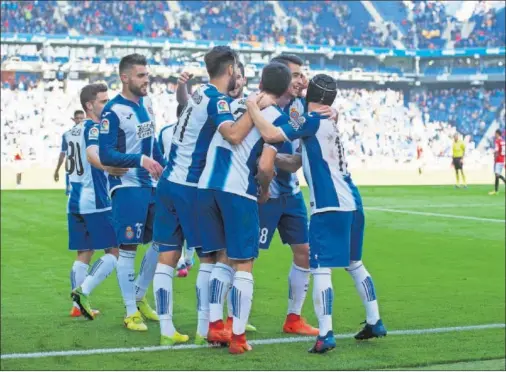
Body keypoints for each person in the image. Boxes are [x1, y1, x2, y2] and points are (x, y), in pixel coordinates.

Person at [249, 73, 387, 354]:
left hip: (328, 204)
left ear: (310, 95)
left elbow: (271, 134)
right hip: (352, 201)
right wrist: (271, 161)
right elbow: (299, 161)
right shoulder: (327, 122)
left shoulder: (310, 121)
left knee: (320, 267)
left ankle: (326, 334)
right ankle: (375, 320)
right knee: (354, 262)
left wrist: (253, 106)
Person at [151, 46, 265, 346]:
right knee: (210, 258)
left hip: (167, 183)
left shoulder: (200, 93)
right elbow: (234, 135)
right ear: (230, 70)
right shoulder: (216, 100)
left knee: (166, 259)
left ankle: (166, 330)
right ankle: (206, 328)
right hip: (190, 186)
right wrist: (256, 107)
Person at [199, 62, 291, 354]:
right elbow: (265, 166)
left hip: (207, 186)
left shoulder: (238, 104)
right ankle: (238, 338)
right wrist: (263, 189)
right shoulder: (275, 116)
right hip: (237, 191)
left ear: (261, 81)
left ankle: (216, 326)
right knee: (244, 265)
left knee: (221, 258)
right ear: (287, 88)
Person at [99, 54, 165, 331]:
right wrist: (139, 161)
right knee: (127, 249)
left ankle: (138, 296)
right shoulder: (112, 111)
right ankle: (130, 312)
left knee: (162, 241)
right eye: (140, 75)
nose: (146, 79)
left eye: (147, 74)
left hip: (150, 185)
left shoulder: (146, 105)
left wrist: (165, 167)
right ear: (125, 77)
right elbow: (106, 153)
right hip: (126, 186)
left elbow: (151, 146)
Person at [66, 83, 127, 320]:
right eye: (103, 101)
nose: (108, 105)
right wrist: (109, 167)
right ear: (89, 105)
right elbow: (92, 155)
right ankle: (83, 291)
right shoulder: (94, 128)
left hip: (74, 200)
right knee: (115, 251)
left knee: (84, 252)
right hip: (95, 200)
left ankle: (76, 306)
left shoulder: (70, 131)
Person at [54, 110, 85, 195]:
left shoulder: (88, 133)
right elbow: (63, 153)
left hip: (84, 171)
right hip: (71, 172)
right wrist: (57, 170)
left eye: (81, 119)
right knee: (72, 197)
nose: (79, 120)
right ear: (73, 119)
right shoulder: (66, 135)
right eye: (77, 118)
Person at [489, 129, 505, 195]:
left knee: (497, 174)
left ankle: (496, 191)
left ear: (498, 134)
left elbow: (496, 150)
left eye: (495, 134)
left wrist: (494, 157)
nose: (495, 135)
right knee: (497, 174)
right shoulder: (503, 141)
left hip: (498, 159)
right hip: (502, 159)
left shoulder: (497, 141)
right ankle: (496, 190)